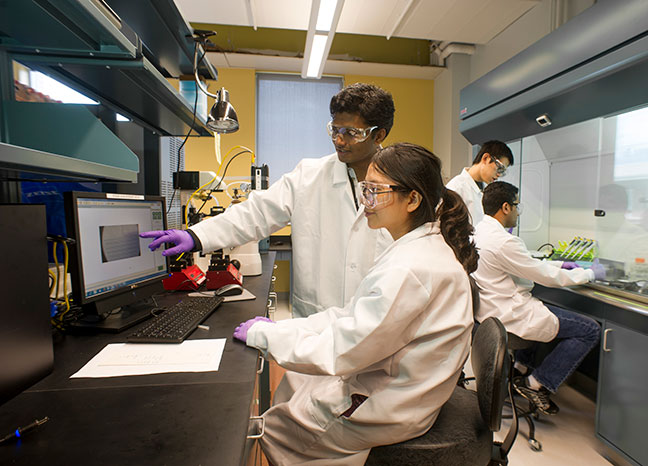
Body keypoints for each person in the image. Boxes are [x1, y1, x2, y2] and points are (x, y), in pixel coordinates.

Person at [232, 143, 479, 465]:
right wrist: (283, 328)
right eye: (365, 189)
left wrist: (265, 337)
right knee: (296, 383)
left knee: (276, 429)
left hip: (394, 404)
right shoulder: (416, 248)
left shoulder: (411, 267)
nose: (366, 203)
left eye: (376, 191)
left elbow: (343, 351)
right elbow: (351, 314)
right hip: (404, 383)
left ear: (413, 199)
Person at [141, 83, 395, 317]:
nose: (339, 140)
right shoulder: (309, 176)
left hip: (378, 326)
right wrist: (196, 236)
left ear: (379, 135)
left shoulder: (404, 184)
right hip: (315, 323)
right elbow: (255, 213)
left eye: (351, 132)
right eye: (335, 129)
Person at [472, 181, 605, 415]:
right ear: (505, 207)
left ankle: (520, 370)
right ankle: (536, 383)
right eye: (516, 206)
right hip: (510, 317)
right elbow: (545, 276)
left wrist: (561, 263)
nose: (517, 212)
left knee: (545, 309)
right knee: (590, 330)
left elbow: (526, 264)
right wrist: (589, 273)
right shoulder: (504, 241)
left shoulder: (479, 231)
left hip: (489, 315)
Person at [446, 140, 513, 225]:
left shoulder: (484, 190)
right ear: (486, 158)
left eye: (503, 172)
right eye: (500, 168)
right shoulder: (456, 188)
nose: (499, 174)